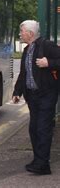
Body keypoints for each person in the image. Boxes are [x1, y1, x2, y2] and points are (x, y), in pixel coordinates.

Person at [12, 20, 60, 175]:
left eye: (22, 31)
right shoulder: (27, 50)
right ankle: (38, 160)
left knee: (43, 128)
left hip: (47, 94)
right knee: (34, 129)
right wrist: (17, 92)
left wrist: (49, 62)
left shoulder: (47, 46)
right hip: (32, 96)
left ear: (30, 34)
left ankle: (43, 164)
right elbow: (23, 73)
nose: (20, 34)